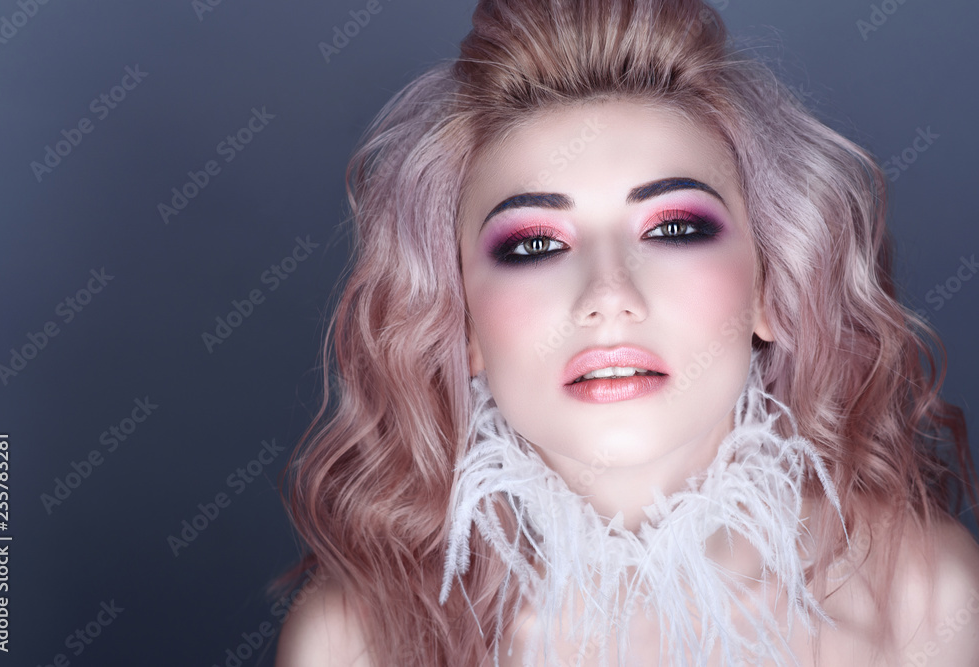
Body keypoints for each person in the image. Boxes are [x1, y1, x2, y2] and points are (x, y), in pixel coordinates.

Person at [273, 0, 979, 665]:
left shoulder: (929, 602)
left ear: (769, 287)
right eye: (532, 245)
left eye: (675, 229)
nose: (609, 296)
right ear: (461, 324)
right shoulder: (353, 642)